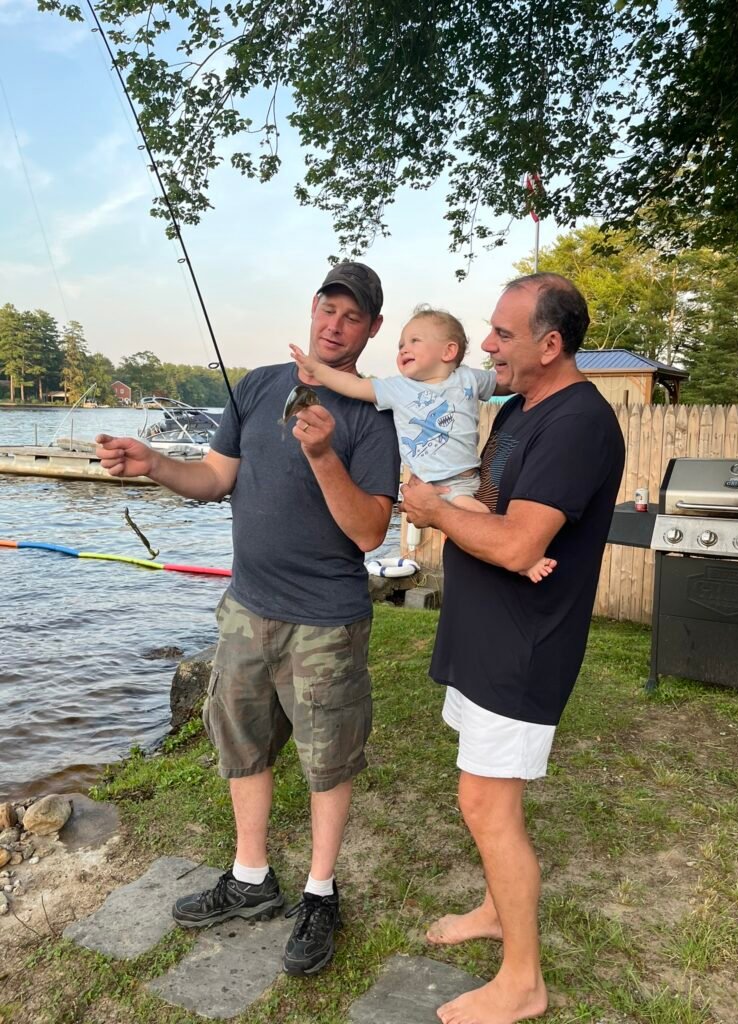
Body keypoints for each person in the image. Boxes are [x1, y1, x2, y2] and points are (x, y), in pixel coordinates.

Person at [95, 261, 400, 978]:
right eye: (328, 308)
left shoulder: (374, 415)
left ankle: (321, 892)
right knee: (243, 745)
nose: (334, 324)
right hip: (246, 609)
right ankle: (251, 876)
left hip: (326, 620)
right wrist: (155, 464)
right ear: (313, 310)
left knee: (328, 760)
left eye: (352, 316)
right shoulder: (259, 386)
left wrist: (323, 454)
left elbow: (368, 534)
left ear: (372, 330)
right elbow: (216, 478)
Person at [400, 273, 625, 1024]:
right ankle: (498, 911)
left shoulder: (578, 424)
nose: (487, 345)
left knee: (486, 806)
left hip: (525, 646)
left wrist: (434, 511)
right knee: (484, 798)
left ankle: (523, 982)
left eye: (502, 333)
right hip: (484, 634)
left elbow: (520, 541)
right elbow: (494, 509)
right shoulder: (521, 411)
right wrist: (445, 504)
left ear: (551, 344)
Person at [290, 305, 555, 584]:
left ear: (448, 352)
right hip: (434, 488)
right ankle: (524, 562)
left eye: (414, 341)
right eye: (401, 345)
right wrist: (317, 369)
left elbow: (509, 381)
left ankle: (523, 557)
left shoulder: (468, 378)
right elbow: (352, 385)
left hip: (466, 480)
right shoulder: (398, 388)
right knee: (477, 515)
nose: (403, 349)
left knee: (485, 521)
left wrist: (540, 375)